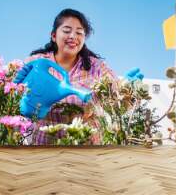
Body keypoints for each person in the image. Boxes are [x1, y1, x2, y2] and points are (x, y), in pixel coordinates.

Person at [24, 8, 116, 145]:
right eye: (67, 31)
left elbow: (118, 98)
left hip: (87, 149)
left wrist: (128, 89)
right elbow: (14, 93)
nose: (73, 36)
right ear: (54, 35)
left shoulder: (97, 68)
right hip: (44, 149)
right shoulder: (36, 63)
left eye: (79, 32)